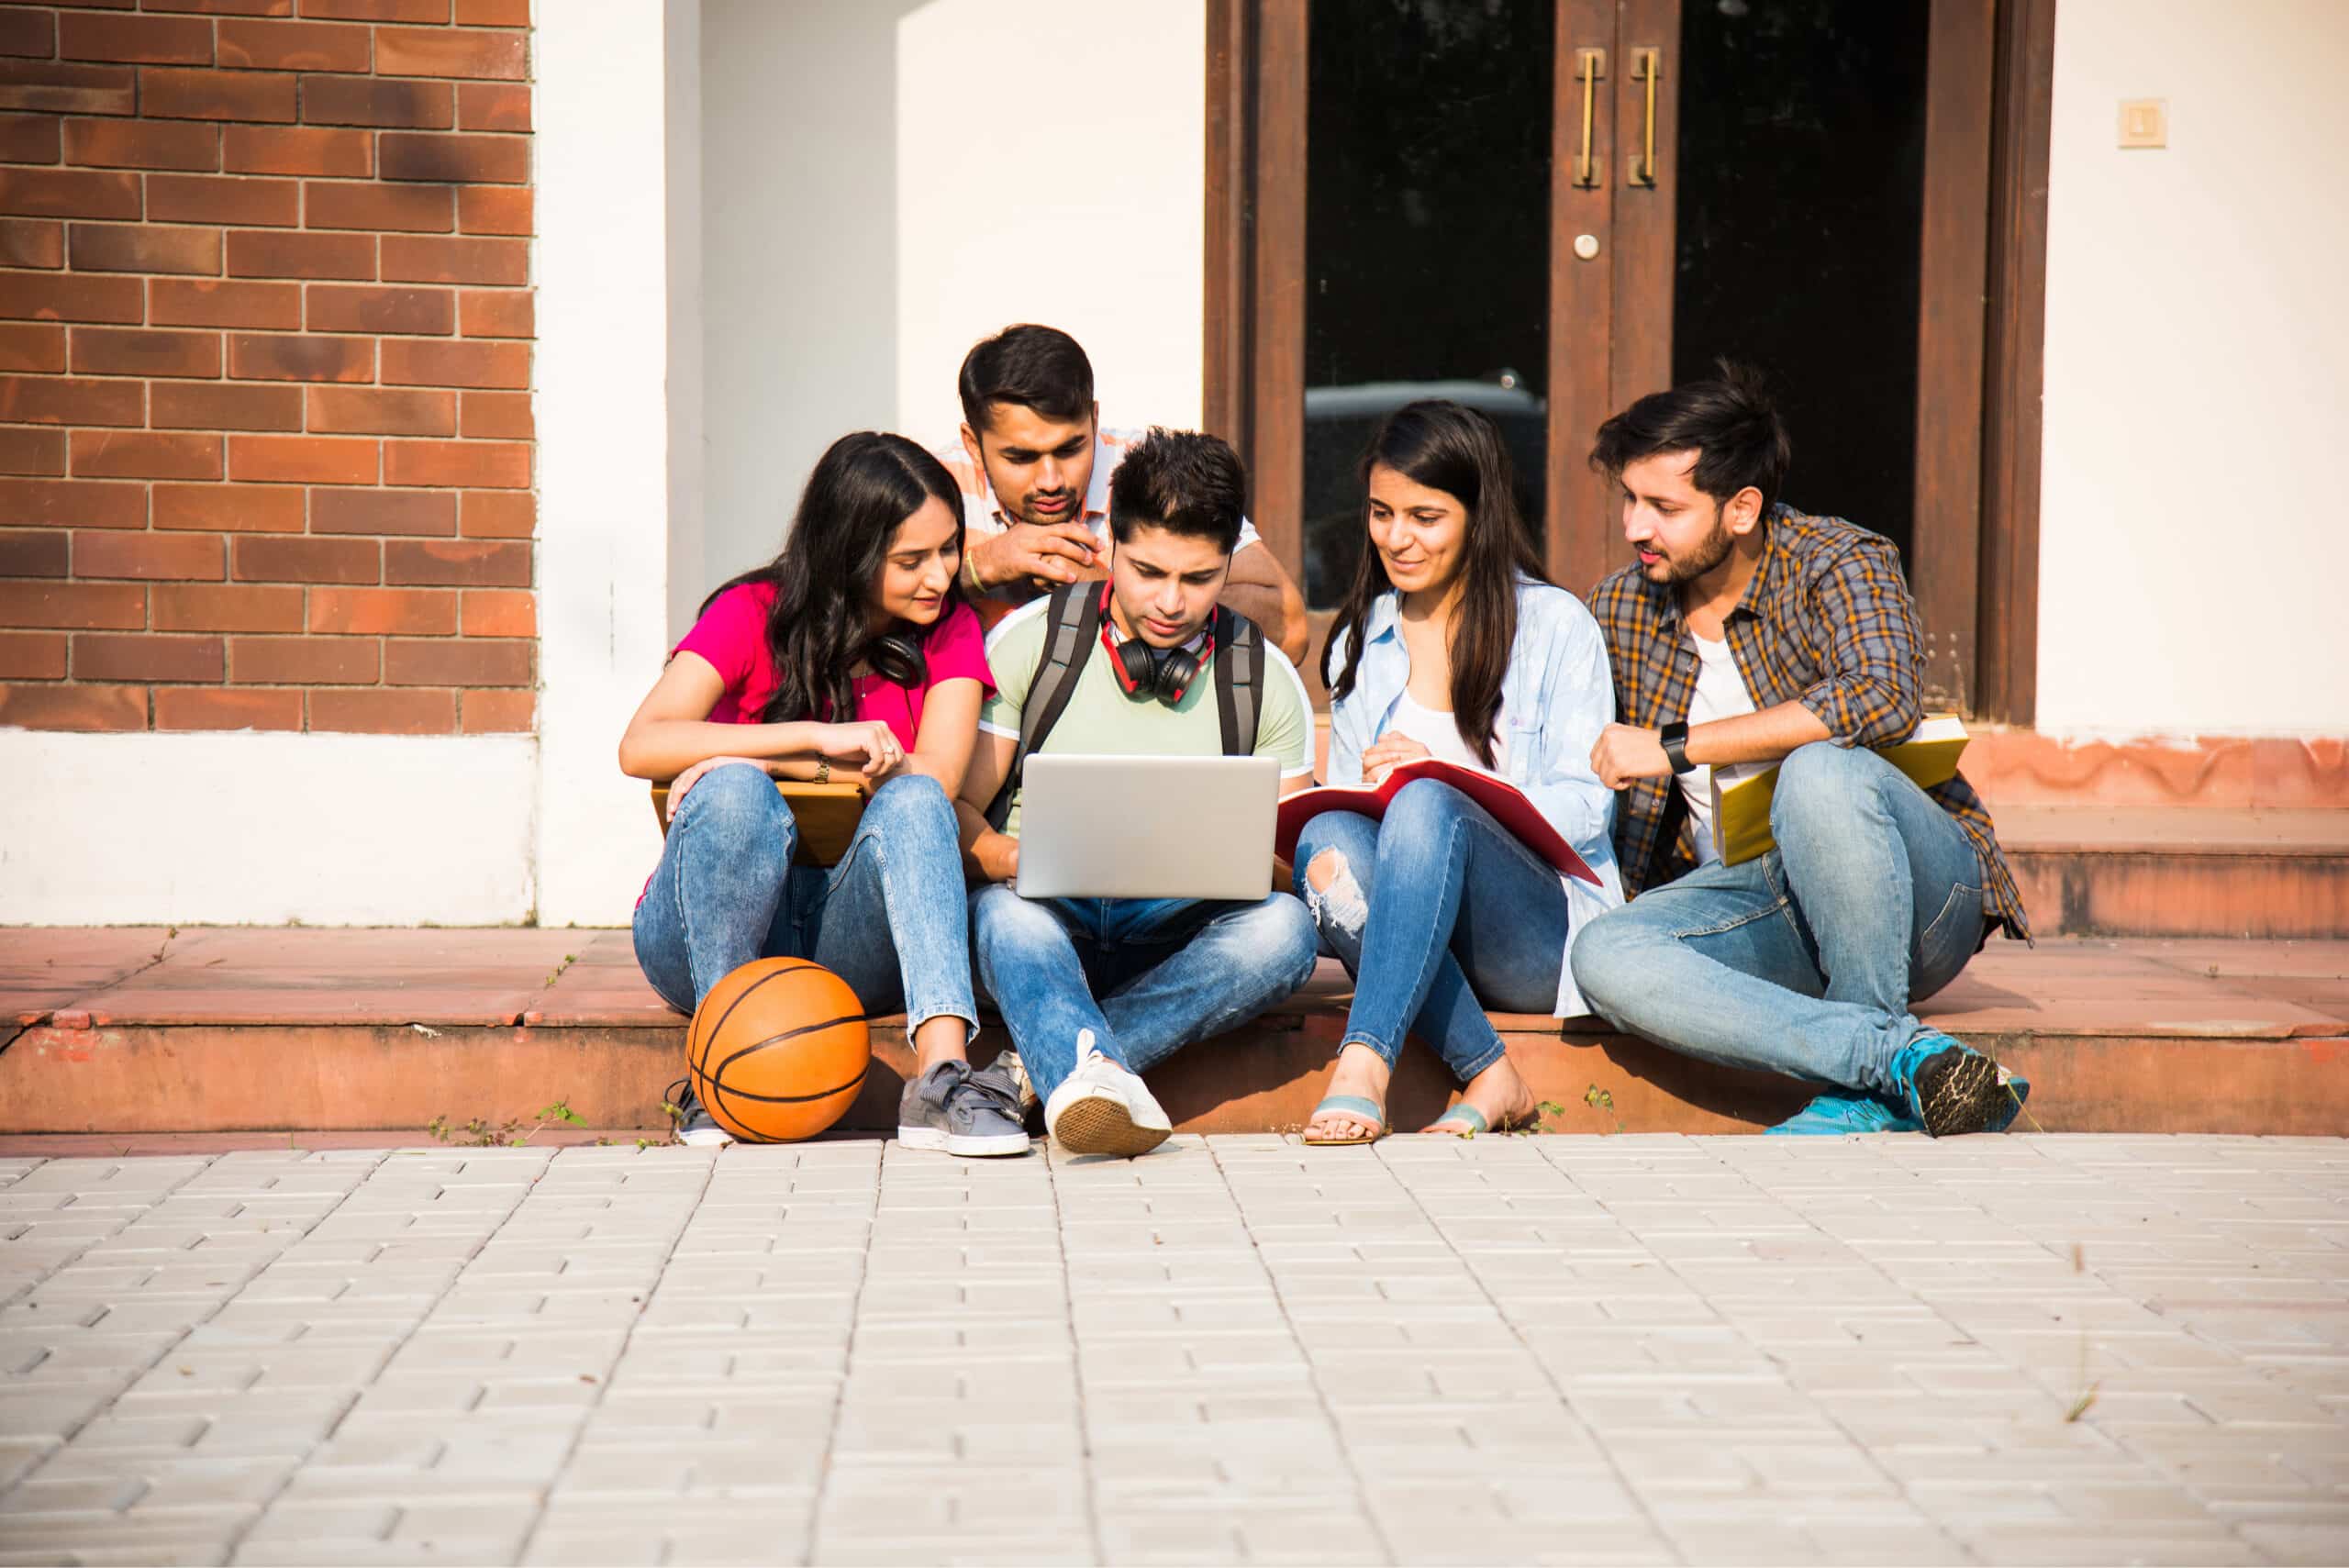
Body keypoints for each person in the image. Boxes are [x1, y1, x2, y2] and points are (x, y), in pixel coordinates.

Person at [1569, 362, 2032, 1137]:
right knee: (1606, 953)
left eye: (1663, 506)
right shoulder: (1621, 604)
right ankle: (1889, 1059)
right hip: (1757, 900)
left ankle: (1871, 1046)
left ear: (1742, 507)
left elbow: (1880, 694)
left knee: (1817, 772)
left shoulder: (1838, 560)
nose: (1634, 528)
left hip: (1914, 897)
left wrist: (1676, 747)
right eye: (1629, 499)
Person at [618, 431, 1029, 1158]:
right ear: (849, 552)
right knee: (736, 793)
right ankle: (718, 1071)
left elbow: (936, 776)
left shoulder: (950, 630)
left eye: (947, 550)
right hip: (705, 930)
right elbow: (641, 743)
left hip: (848, 935)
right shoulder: (752, 610)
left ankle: (943, 1078)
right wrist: (807, 741)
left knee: (915, 803)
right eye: (911, 561)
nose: (939, 577)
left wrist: (752, 755)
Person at [955, 428, 1320, 1158]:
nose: (1171, 602)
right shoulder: (1035, 643)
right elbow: (957, 813)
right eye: (1148, 571)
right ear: (1109, 546)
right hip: (1043, 920)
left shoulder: (1264, 676)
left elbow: (1292, 857)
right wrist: (1009, 857)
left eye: (1199, 578)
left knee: (1286, 930)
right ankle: (1085, 1072)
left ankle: (1036, 1073)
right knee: (1004, 917)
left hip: (1176, 937)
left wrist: (1239, 861)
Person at [1291, 401, 1624, 1145]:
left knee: (1429, 801)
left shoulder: (1555, 626)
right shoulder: (1362, 640)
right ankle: (1489, 1069)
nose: (1397, 538)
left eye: (1425, 516)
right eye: (1381, 513)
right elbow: (1353, 811)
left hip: (1539, 930)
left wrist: (1444, 779)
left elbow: (1586, 808)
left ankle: (1365, 1058)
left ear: (1479, 515)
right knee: (1323, 838)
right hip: (1413, 921)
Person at [936, 324, 1311, 665]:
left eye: (1070, 450)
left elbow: (1289, 630)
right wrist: (979, 568)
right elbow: (877, 621)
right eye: (1021, 457)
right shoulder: (934, 486)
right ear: (973, 443)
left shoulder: (1150, 471)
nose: (1050, 480)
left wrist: (1112, 594)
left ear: (1095, 420)